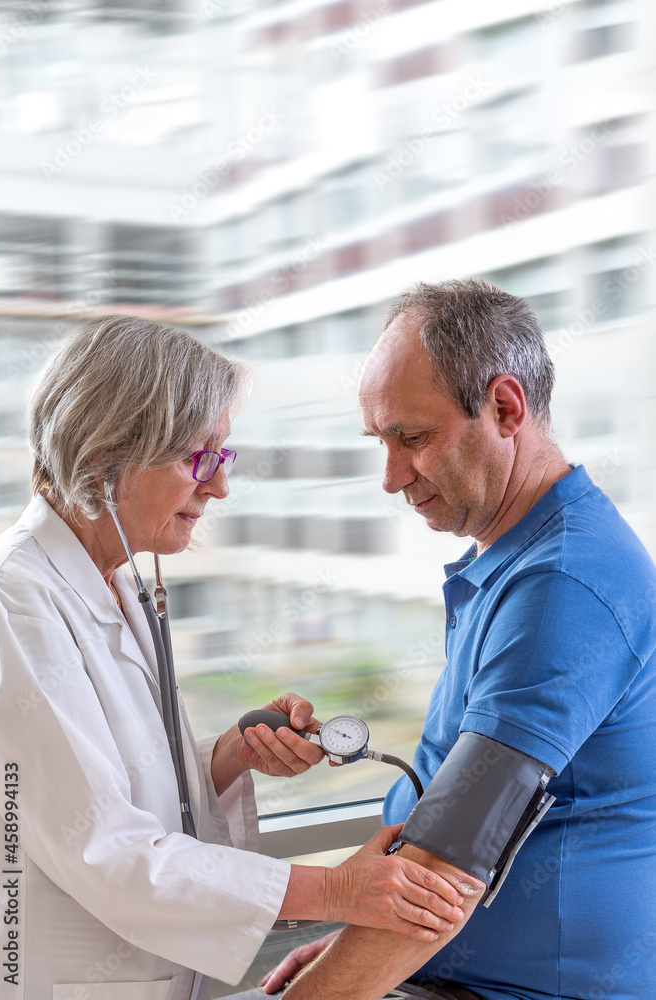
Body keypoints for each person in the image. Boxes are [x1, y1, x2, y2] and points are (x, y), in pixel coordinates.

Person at [0, 315, 466, 1000]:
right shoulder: (14, 601)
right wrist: (337, 890)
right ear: (104, 459)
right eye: (198, 459)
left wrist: (229, 755)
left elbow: (124, 781)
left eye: (223, 458)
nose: (218, 487)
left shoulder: (115, 582)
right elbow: (102, 848)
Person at [231, 279, 656, 1000]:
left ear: (505, 408)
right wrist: (353, 946)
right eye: (381, 442)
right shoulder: (515, 561)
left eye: (413, 438)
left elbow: (449, 858)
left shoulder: (562, 585)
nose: (391, 477)